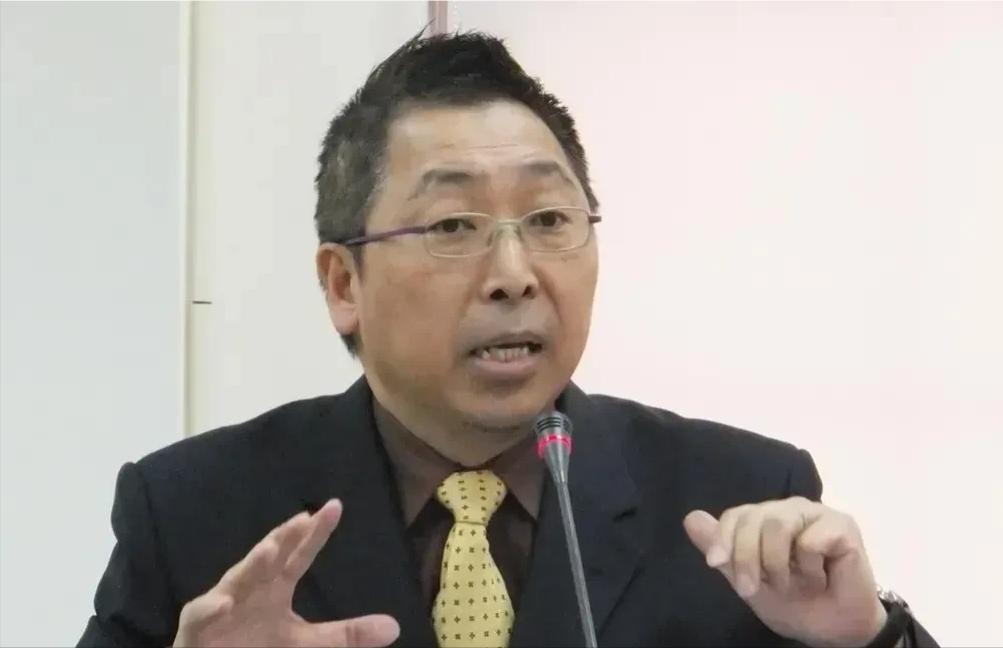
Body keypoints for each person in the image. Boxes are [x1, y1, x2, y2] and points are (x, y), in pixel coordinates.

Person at [79, 32, 937, 648]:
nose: (514, 274)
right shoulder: (195, 515)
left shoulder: (738, 502)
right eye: (453, 225)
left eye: (550, 219)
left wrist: (869, 639)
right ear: (343, 284)